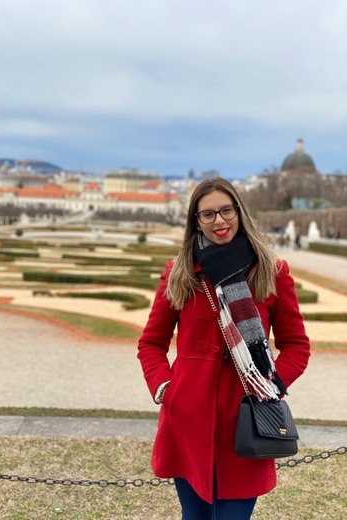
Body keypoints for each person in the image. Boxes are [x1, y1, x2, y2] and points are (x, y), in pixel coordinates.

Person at [137, 177, 310, 519]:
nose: (219, 221)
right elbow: (151, 344)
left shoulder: (271, 272)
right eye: (208, 215)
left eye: (226, 210)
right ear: (196, 221)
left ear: (239, 212)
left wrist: (271, 387)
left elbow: (296, 346)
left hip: (246, 421)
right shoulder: (180, 274)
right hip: (187, 421)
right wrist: (166, 389)